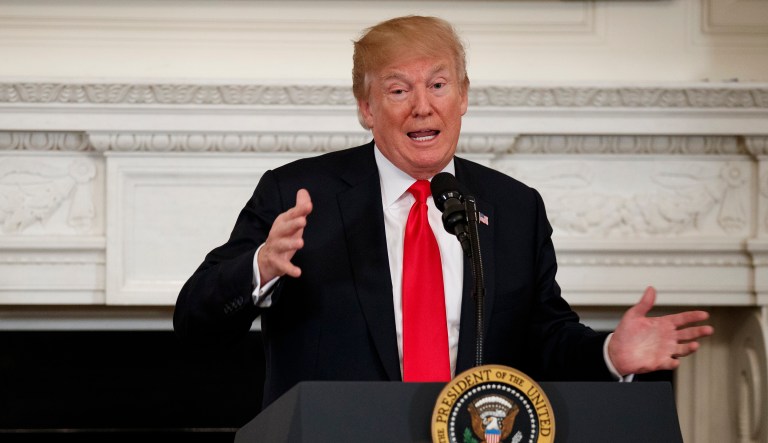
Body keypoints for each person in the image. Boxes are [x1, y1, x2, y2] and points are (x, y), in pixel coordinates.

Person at [173, 15, 713, 408]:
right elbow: (194, 323)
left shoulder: (514, 208)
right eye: (399, 89)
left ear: (463, 96)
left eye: (437, 85)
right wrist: (261, 269)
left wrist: (611, 355)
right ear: (366, 107)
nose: (422, 106)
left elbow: (544, 338)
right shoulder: (297, 194)